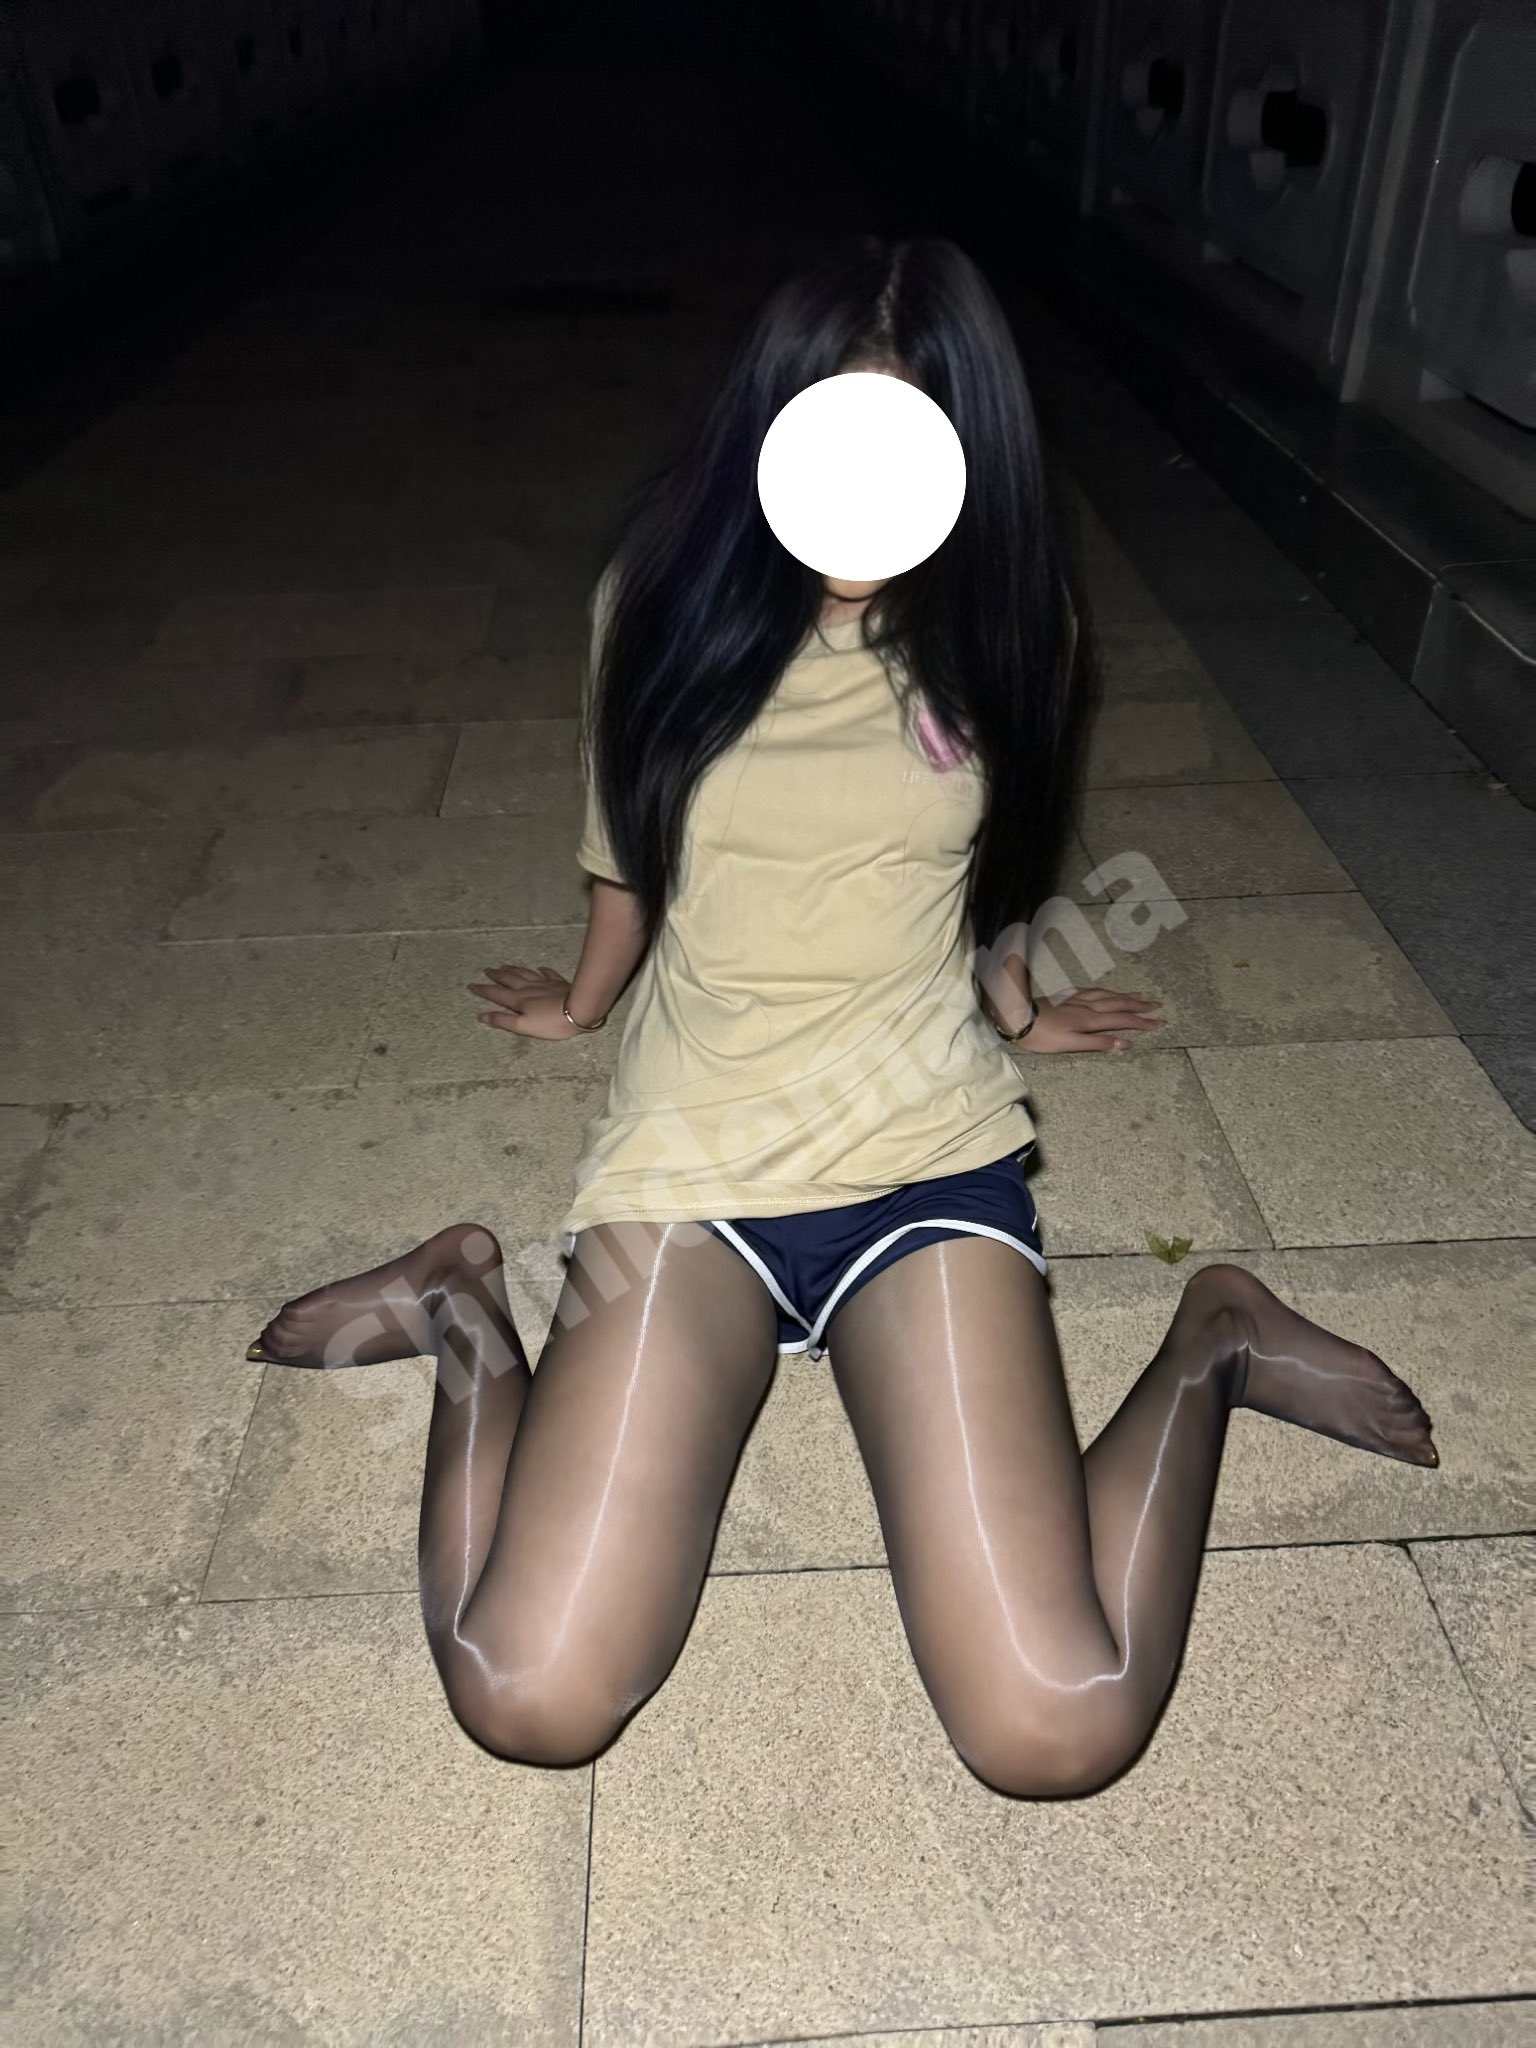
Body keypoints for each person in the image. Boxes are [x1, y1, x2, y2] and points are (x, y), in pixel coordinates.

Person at [244, 235, 1438, 1796]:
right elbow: (627, 858)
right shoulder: (653, 603)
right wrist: (586, 1006)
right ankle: (460, 1298)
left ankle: (1217, 1335)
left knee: (1057, 1725)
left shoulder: (1013, 624)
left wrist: (1013, 1005)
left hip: (919, 1155)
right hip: (696, 1157)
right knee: (525, 1692)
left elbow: (985, 870)